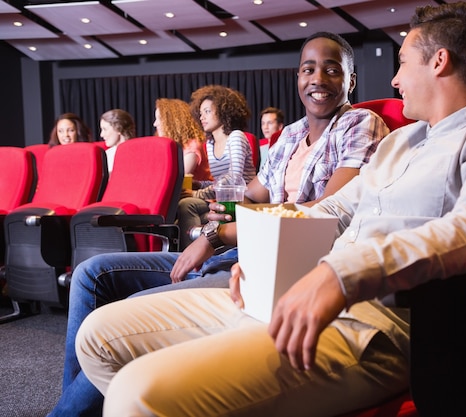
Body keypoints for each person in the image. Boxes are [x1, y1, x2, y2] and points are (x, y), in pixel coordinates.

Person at [75, 2, 466, 416]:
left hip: (379, 320)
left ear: (439, 61)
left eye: (403, 61)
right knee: (96, 335)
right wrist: (258, 256)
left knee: (136, 396)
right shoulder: (402, 141)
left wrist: (340, 273)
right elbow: (329, 210)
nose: (393, 77)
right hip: (293, 290)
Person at [47, 31, 388, 417]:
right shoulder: (290, 135)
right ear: (297, 77)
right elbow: (253, 194)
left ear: (351, 80)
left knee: (131, 310)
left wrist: (216, 234)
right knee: (92, 274)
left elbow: (329, 209)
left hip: (288, 263)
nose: (318, 79)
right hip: (242, 248)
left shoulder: (360, 122)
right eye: (308, 69)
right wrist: (216, 210)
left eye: (332, 70)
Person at [178, 85, 257, 249]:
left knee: (187, 204)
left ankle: (193, 255)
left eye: (207, 111)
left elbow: (234, 178)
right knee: (185, 205)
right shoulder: (210, 144)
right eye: (200, 113)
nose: (202, 117)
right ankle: (192, 256)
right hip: (224, 198)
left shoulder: (236, 137)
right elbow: (221, 181)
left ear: (223, 111)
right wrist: (200, 184)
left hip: (244, 200)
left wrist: (198, 193)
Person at [153, 98, 212, 182]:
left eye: (159, 118)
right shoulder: (168, 145)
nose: (155, 124)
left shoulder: (192, 148)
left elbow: (175, 181)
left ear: (172, 121)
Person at [99, 109, 136, 173]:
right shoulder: (107, 155)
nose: (101, 135)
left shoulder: (138, 153)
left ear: (119, 128)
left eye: (105, 129)